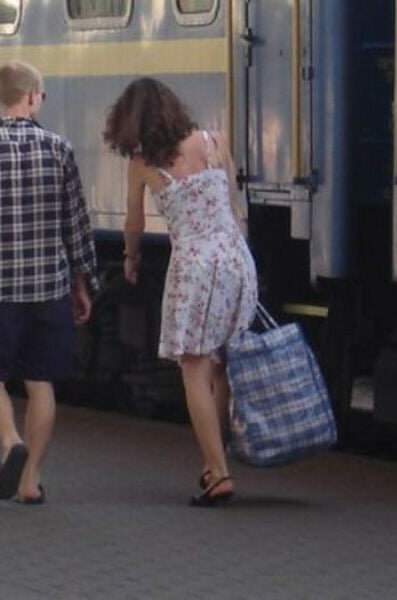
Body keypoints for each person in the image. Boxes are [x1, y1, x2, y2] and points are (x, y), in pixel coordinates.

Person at [0, 60, 98, 504]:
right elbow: (76, 223)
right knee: (41, 381)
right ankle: (30, 480)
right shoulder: (59, 149)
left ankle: (10, 442)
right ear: (31, 97)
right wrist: (83, 281)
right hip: (49, 287)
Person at [103, 77, 258, 507]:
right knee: (222, 365)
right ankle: (213, 461)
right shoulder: (215, 142)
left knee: (194, 367)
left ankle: (219, 473)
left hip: (195, 266)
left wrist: (131, 258)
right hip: (237, 259)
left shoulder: (142, 165)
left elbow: (134, 223)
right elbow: (233, 204)